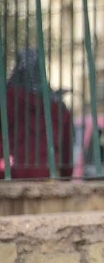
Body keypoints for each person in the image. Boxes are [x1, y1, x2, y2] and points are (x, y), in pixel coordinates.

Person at [3, 49, 73, 180]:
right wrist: (66, 177)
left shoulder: (6, 100)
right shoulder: (57, 106)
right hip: (46, 176)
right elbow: (67, 153)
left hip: (10, 175)